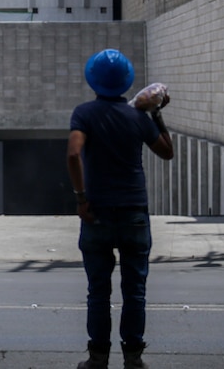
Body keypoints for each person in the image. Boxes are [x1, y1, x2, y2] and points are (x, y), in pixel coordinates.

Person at [67, 49, 174, 369]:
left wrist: (81, 198)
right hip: (133, 212)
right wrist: (156, 113)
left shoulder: (84, 113)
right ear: (126, 82)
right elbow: (167, 153)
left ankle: (98, 358)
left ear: (93, 80)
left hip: (97, 211)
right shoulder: (138, 118)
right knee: (135, 291)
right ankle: (133, 359)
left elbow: (73, 155)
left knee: (98, 292)